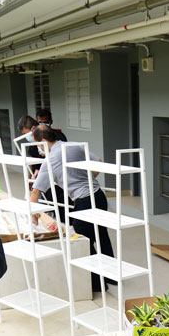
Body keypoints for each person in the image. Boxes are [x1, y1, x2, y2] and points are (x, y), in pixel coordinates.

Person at [29, 124, 114, 293]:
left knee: (82, 241)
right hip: (98, 196)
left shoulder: (51, 159)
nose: (39, 149)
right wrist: (86, 179)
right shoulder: (74, 145)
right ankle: (112, 275)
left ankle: (97, 284)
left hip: (84, 201)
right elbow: (99, 162)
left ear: (44, 141)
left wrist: (34, 215)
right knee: (101, 234)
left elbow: (35, 193)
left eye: (38, 145)